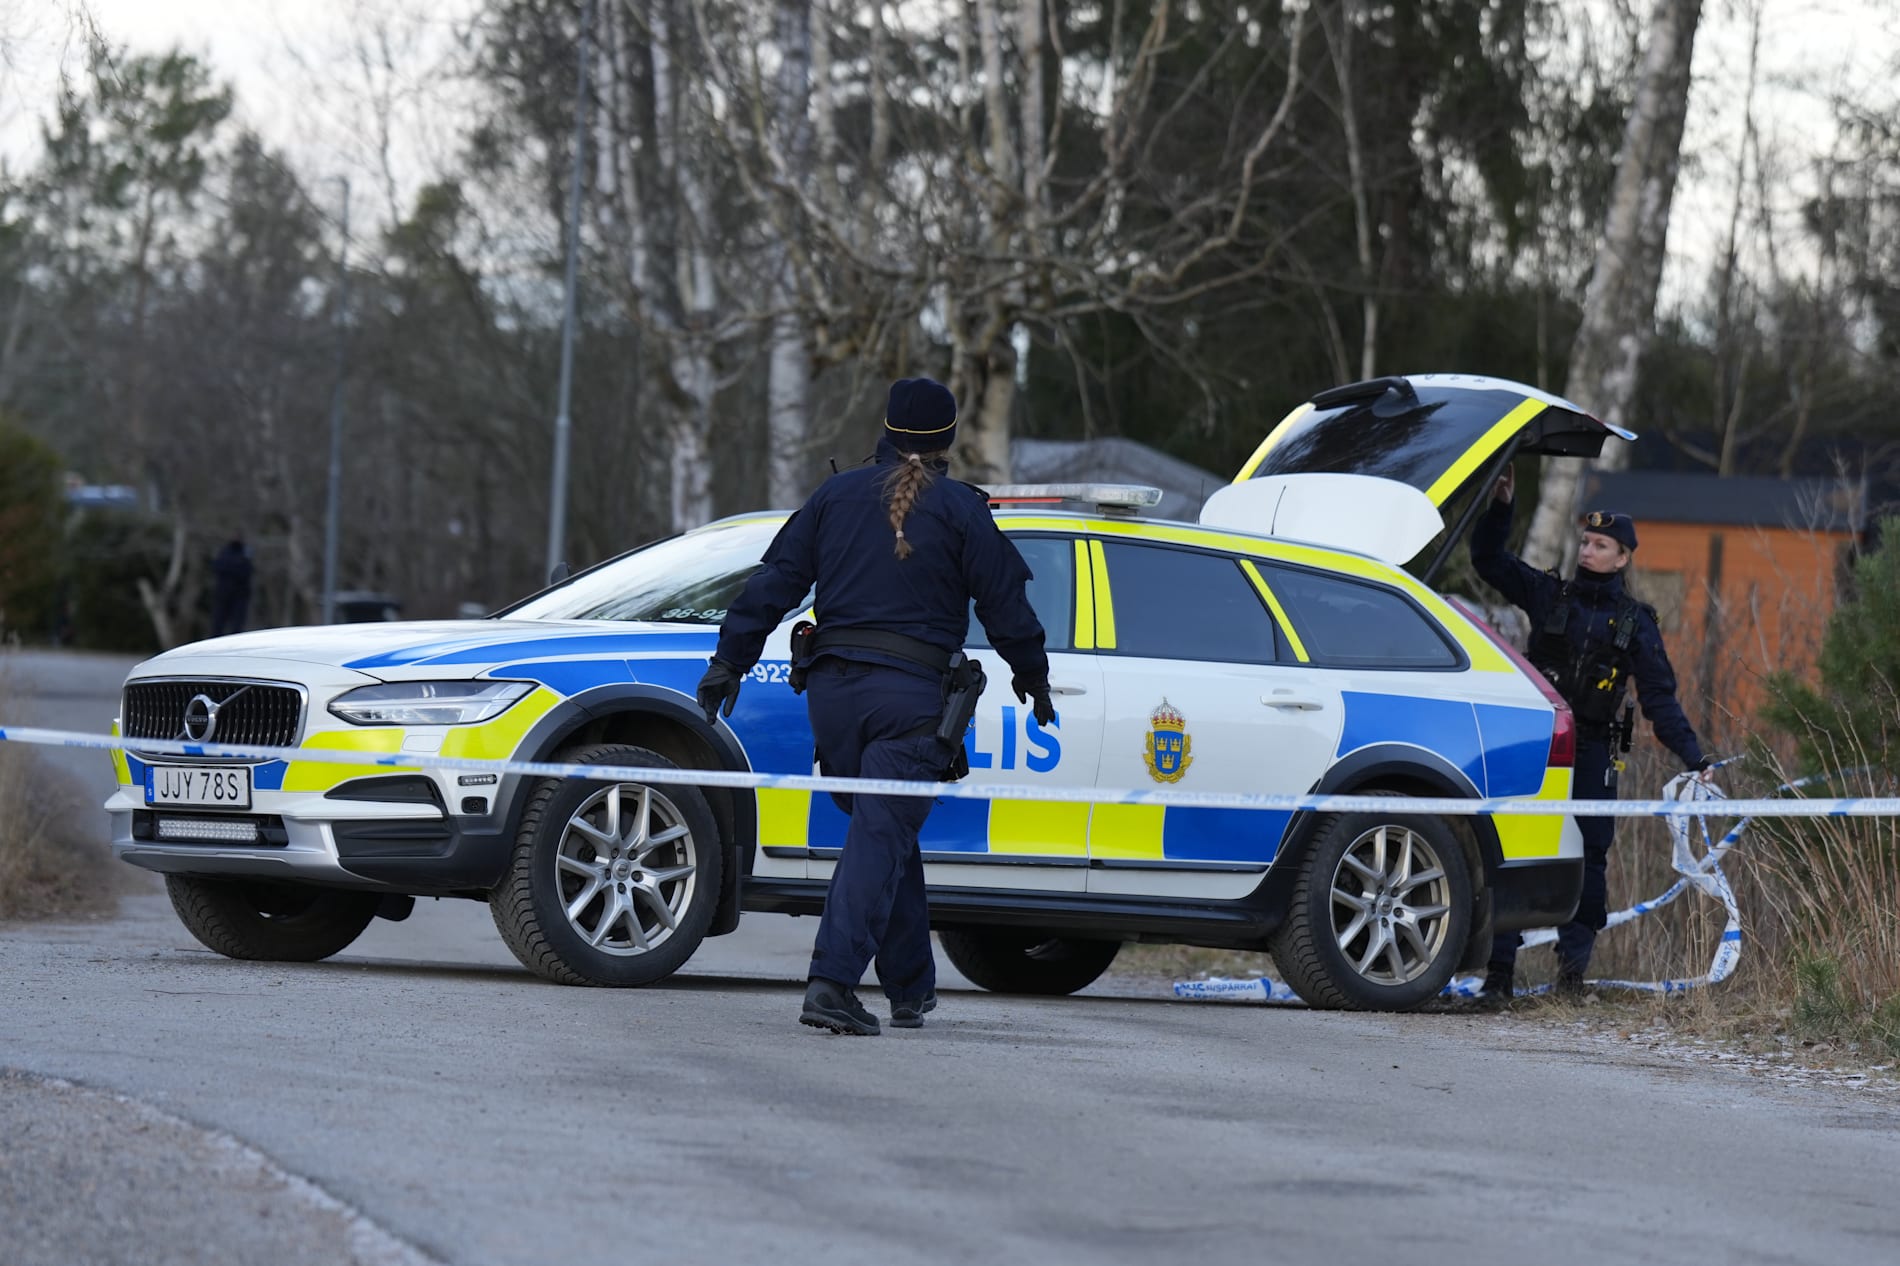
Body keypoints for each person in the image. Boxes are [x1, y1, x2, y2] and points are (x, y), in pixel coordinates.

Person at [697, 378, 1053, 1036]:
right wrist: (1034, 676)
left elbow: (773, 584)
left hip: (833, 701)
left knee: (882, 831)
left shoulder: (833, 497)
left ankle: (910, 986)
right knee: (880, 835)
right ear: (949, 440)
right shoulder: (962, 510)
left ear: (885, 430)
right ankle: (831, 984)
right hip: (911, 704)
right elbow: (1006, 605)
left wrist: (729, 661)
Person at [1474, 466, 1710, 1002]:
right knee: (1515, 845)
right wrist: (1501, 507)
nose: (1587, 550)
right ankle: (1499, 976)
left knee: (1590, 858)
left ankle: (1571, 978)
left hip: (1594, 749)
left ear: (1623, 557)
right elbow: (1488, 560)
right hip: (1541, 743)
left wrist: (1695, 758)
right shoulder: (1549, 594)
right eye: (1585, 541)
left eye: (1600, 545)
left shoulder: (1635, 622)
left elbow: (1660, 700)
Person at [209, 538, 254, 637]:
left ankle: (231, 637)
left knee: (235, 622)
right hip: (226, 594)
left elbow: (247, 572)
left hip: (237, 594)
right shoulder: (227, 554)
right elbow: (216, 568)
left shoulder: (244, 554)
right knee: (220, 621)